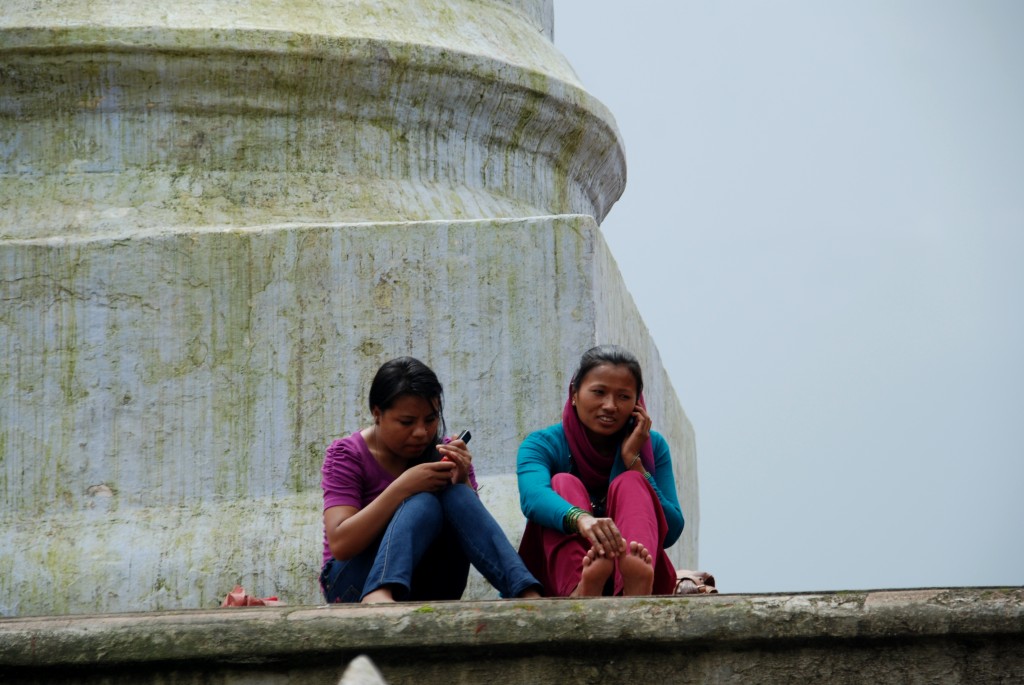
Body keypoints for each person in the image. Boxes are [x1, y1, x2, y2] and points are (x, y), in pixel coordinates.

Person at [320, 356, 542, 603]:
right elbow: (340, 544)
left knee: (456, 494)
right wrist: (402, 487)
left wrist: (463, 483)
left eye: (430, 419)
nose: (421, 432)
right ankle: (380, 591)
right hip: (353, 586)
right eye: (407, 422)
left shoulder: (446, 452)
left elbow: (474, 537)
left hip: (430, 584)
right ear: (377, 413)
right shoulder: (347, 454)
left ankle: (523, 590)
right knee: (423, 501)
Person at [516, 345, 684, 597]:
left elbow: (672, 529)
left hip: (630, 577)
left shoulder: (652, 446)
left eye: (624, 397)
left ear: (637, 404)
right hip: (557, 582)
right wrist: (581, 519)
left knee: (632, 482)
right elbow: (533, 497)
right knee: (563, 482)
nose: (610, 406)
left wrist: (634, 463)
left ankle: (633, 586)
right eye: (599, 392)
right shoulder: (542, 444)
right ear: (574, 394)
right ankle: (579, 587)